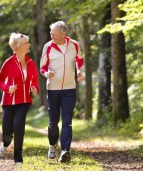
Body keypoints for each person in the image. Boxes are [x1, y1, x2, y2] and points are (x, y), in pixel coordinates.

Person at [40, 21, 84, 163]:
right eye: (51, 33)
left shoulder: (74, 45)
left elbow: (80, 60)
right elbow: (42, 67)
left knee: (67, 121)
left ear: (63, 34)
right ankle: (53, 145)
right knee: (53, 122)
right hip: (52, 89)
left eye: (54, 33)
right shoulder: (48, 46)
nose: (51, 35)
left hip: (69, 89)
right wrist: (47, 73)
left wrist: (80, 72)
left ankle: (65, 151)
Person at [0, 33, 39, 164]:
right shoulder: (8, 63)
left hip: (24, 101)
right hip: (9, 101)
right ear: (19, 46)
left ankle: (18, 158)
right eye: (27, 43)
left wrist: (34, 88)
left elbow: (34, 80)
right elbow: (0, 81)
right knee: (7, 132)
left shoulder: (30, 63)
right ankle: (5, 144)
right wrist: (8, 88)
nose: (29, 45)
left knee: (19, 127)